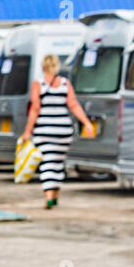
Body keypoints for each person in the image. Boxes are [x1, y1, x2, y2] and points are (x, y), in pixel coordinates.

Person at [20, 53, 94, 209]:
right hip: (63, 130)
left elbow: (35, 109)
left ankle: (48, 196)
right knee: (58, 163)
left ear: (43, 66)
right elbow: (73, 105)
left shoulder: (38, 84)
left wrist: (27, 132)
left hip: (44, 130)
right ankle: (55, 195)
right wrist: (86, 123)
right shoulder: (65, 84)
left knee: (47, 163)